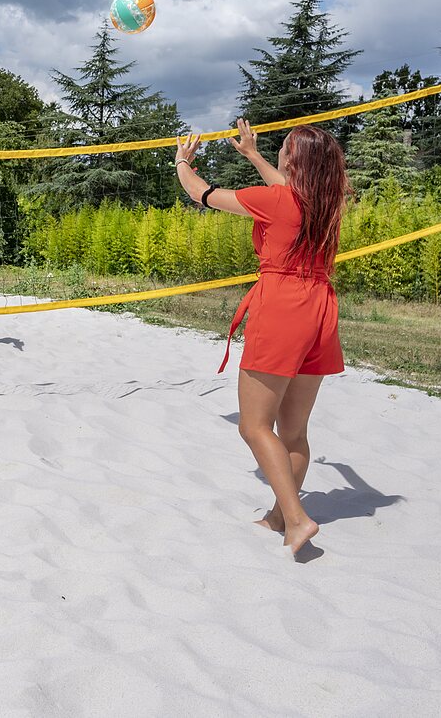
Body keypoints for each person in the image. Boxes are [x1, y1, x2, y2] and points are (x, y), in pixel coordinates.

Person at [174, 118, 349, 557]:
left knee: (253, 427)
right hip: (320, 311)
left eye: (283, 148)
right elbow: (286, 190)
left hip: (283, 308)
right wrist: (252, 155)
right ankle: (279, 517)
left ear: (293, 161)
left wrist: (182, 162)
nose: (279, 152)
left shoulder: (275, 200)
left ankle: (297, 519)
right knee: (294, 431)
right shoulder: (327, 202)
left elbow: (200, 193)